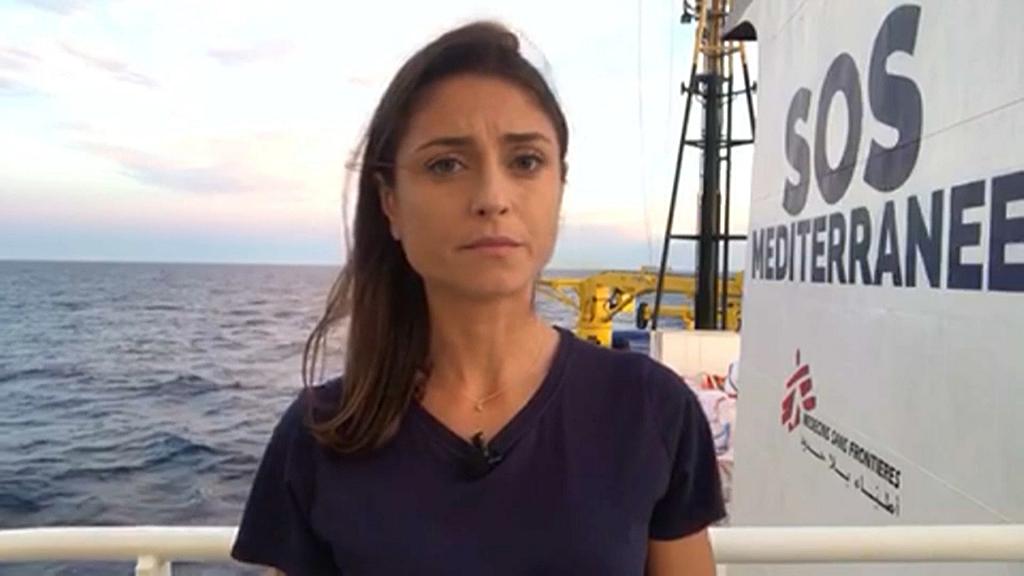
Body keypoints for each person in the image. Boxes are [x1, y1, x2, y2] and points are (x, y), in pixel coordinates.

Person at [231, 21, 725, 575]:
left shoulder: (649, 410)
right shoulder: (321, 436)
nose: (492, 197)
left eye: (525, 161)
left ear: (559, 186)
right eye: (446, 164)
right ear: (390, 203)